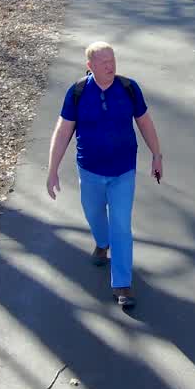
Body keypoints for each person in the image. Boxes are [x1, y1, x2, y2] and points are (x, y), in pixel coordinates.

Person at [46, 42, 163, 308]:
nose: (110, 66)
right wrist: (52, 170)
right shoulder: (77, 93)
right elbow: (63, 131)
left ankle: (122, 283)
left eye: (112, 60)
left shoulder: (128, 88)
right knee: (94, 214)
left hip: (123, 171)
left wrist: (157, 155)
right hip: (89, 170)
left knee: (121, 223)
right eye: (103, 62)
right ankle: (101, 241)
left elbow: (144, 121)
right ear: (90, 67)